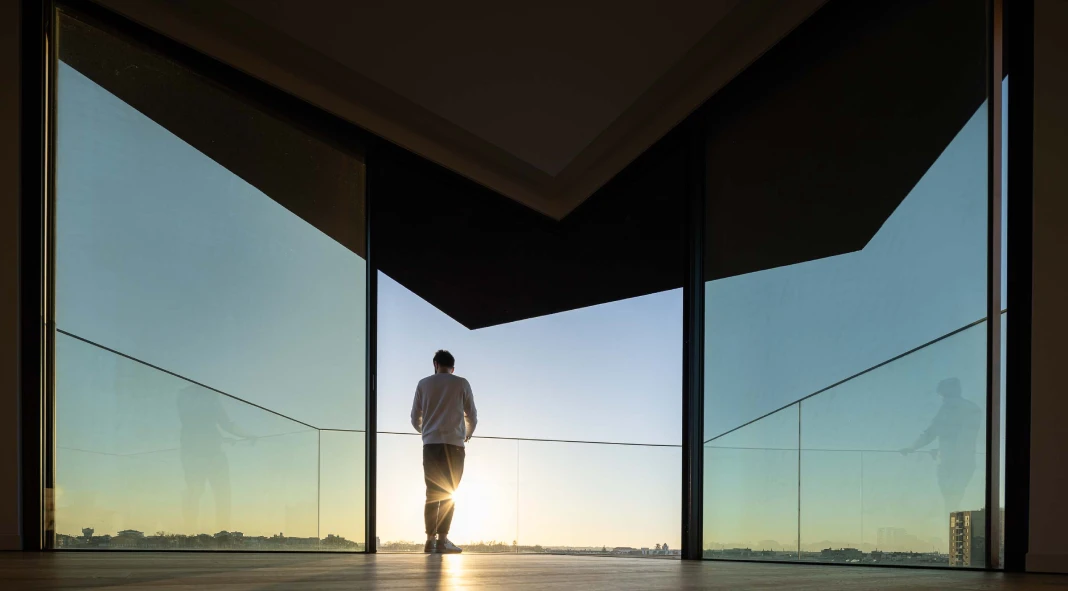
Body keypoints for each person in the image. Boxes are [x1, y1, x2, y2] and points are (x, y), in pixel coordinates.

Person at [411, 350, 478, 554]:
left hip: (431, 445)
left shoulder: (423, 384)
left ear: (435, 364)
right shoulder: (462, 383)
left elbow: (415, 418)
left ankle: (429, 541)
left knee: (432, 493)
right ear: (453, 367)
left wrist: (427, 432)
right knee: (449, 493)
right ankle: (442, 540)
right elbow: (472, 416)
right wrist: (466, 433)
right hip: (454, 445)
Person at [900, 377, 982, 515]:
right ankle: (956, 532)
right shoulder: (973, 408)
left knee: (950, 501)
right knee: (955, 499)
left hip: (950, 462)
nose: (942, 399)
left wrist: (912, 448)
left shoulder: (949, 408)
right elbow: (967, 437)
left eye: (942, 395)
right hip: (967, 460)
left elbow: (931, 432)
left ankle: (953, 533)